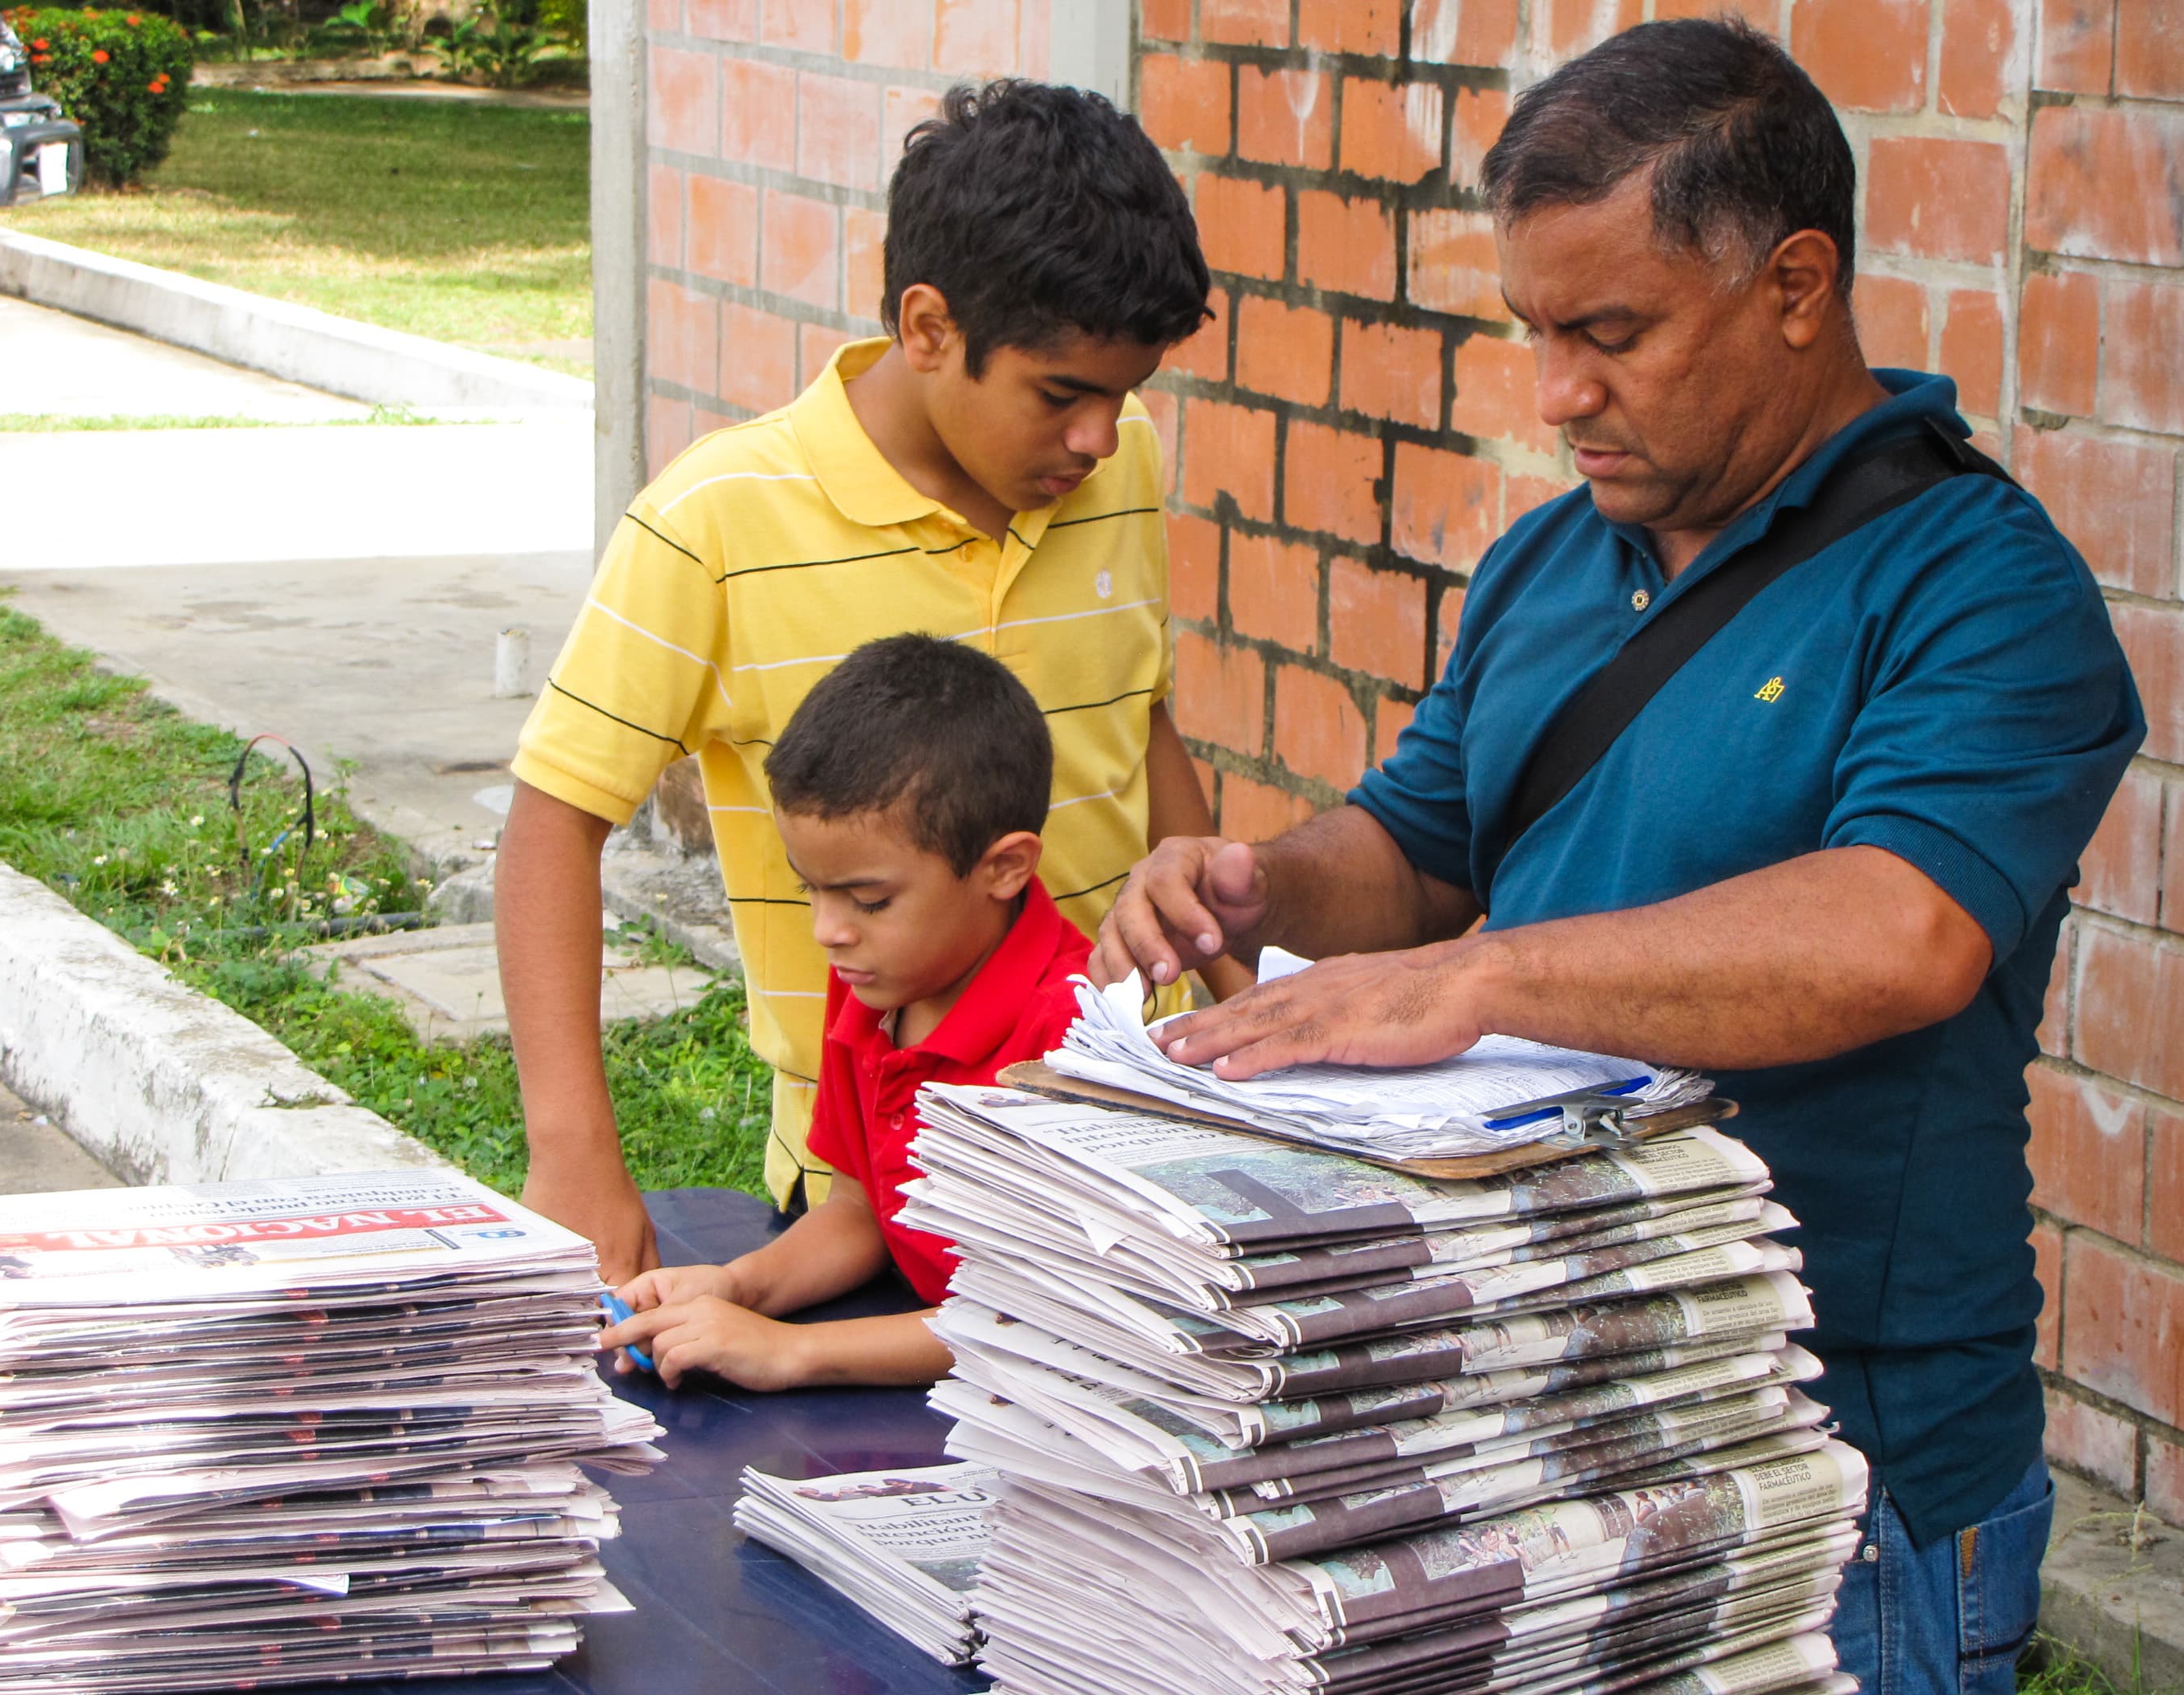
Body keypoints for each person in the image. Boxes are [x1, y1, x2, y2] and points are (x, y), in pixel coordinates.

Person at [1090, 22, 2141, 1695]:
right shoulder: (1546, 563)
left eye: (1612, 333)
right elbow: (1422, 842)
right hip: (1548, 1409)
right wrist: (1257, 884)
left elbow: (1901, 931)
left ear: (1796, 285)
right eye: (1533, 333)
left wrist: (1483, 977)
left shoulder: (1981, 590)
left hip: (1836, 1460)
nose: (1557, 392)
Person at [500, 78, 1234, 1285]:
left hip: (1121, 1163)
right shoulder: (715, 522)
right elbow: (553, 822)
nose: (1101, 436)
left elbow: (1140, 735)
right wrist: (573, 1149)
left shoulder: (1118, 471)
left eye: (1126, 393)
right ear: (930, 327)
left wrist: (1232, 999)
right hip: (877, 1195)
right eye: (1063, 394)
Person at [596, 636, 1090, 1388]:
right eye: (812, 891)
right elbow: (863, 1209)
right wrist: (737, 1287)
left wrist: (794, 1352)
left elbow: (1048, 1317)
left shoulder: (1072, 1039)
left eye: (868, 900)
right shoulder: (878, 981)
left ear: (1004, 868)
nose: (829, 930)